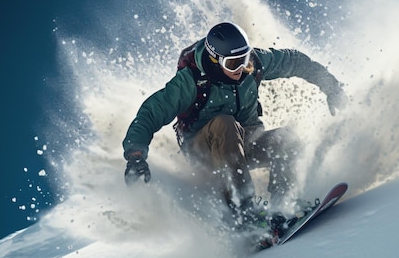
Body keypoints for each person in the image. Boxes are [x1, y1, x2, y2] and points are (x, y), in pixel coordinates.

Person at [122, 21, 345, 230]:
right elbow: (151, 112)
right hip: (204, 152)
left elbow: (294, 61)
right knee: (225, 124)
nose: (241, 67)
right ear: (215, 60)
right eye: (232, 63)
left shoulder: (254, 64)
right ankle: (243, 212)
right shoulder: (190, 81)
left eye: (245, 58)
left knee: (285, 139)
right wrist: (135, 155)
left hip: (243, 142)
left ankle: (281, 207)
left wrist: (331, 86)